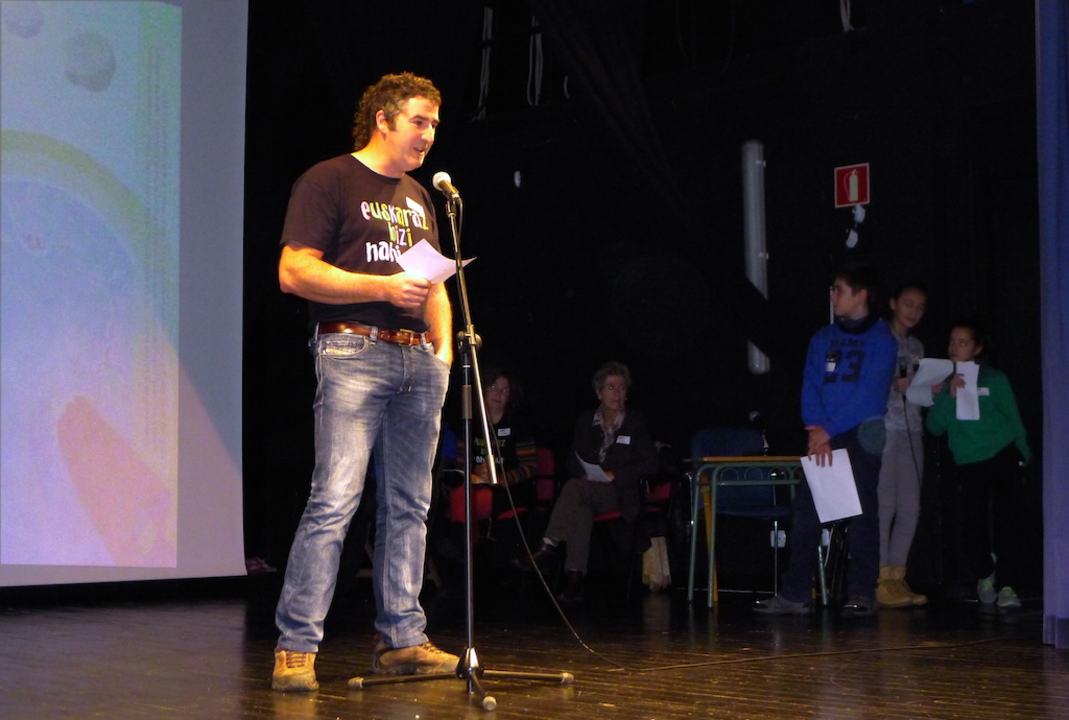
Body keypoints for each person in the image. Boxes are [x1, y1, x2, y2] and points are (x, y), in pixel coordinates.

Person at [272, 73, 457, 692]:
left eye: (435, 125)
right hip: (352, 349)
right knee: (335, 500)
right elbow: (293, 271)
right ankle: (296, 646)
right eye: (419, 121)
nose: (429, 135)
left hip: (418, 360)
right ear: (383, 118)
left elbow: (434, 282)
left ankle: (402, 639)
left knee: (411, 505)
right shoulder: (329, 179)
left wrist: (443, 352)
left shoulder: (419, 196)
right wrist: (381, 287)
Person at [754, 263, 897, 617]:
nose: (833, 296)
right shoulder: (822, 338)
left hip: (861, 434)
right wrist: (816, 430)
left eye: (839, 290)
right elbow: (811, 387)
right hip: (822, 436)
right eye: (832, 290)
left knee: (862, 514)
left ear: (861, 294)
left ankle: (862, 592)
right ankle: (795, 594)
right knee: (806, 512)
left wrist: (828, 431)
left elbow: (870, 397)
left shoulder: (882, 339)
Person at [516, 361, 658, 601]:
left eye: (622, 388)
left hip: (620, 493)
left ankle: (547, 547)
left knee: (574, 488)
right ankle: (575, 578)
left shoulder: (635, 421)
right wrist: (584, 473)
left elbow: (651, 463)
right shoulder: (586, 420)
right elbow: (572, 459)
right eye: (611, 387)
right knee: (581, 511)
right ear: (598, 392)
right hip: (590, 488)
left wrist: (616, 474)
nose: (617, 393)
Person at [926, 317, 1031, 611]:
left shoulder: (994, 379)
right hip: (969, 460)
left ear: (977, 348)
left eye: (963, 342)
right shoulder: (943, 384)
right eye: (952, 341)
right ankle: (985, 572)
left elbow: (1014, 419)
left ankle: (1007, 585)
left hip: (1002, 454)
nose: (955, 347)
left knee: (1007, 521)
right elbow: (934, 427)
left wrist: (1023, 454)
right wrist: (949, 397)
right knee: (971, 523)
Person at [876, 284, 930, 608]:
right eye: (908, 304)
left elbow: (917, 390)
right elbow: (865, 384)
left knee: (910, 507)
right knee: (885, 506)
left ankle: (896, 577)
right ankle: (881, 578)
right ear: (893, 303)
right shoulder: (878, 338)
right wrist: (891, 385)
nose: (914, 312)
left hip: (912, 428)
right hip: (883, 429)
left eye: (920, 307)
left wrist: (930, 388)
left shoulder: (917, 346)